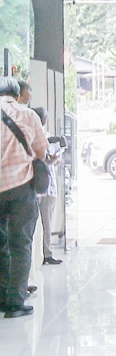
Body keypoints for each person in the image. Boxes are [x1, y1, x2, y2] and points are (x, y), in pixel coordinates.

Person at [0, 76, 47, 318]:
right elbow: (41, 149)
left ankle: (0, 296)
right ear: (16, 95)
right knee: (20, 244)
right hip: (20, 188)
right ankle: (15, 302)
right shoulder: (28, 115)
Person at [17, 80, 61, 266]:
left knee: (33, 224)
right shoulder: (41, 134)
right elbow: (46, 155)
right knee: (45, 222)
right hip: (44, 184)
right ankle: (45, 254)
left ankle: (38, 257)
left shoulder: (27, 133)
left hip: (31, 184)